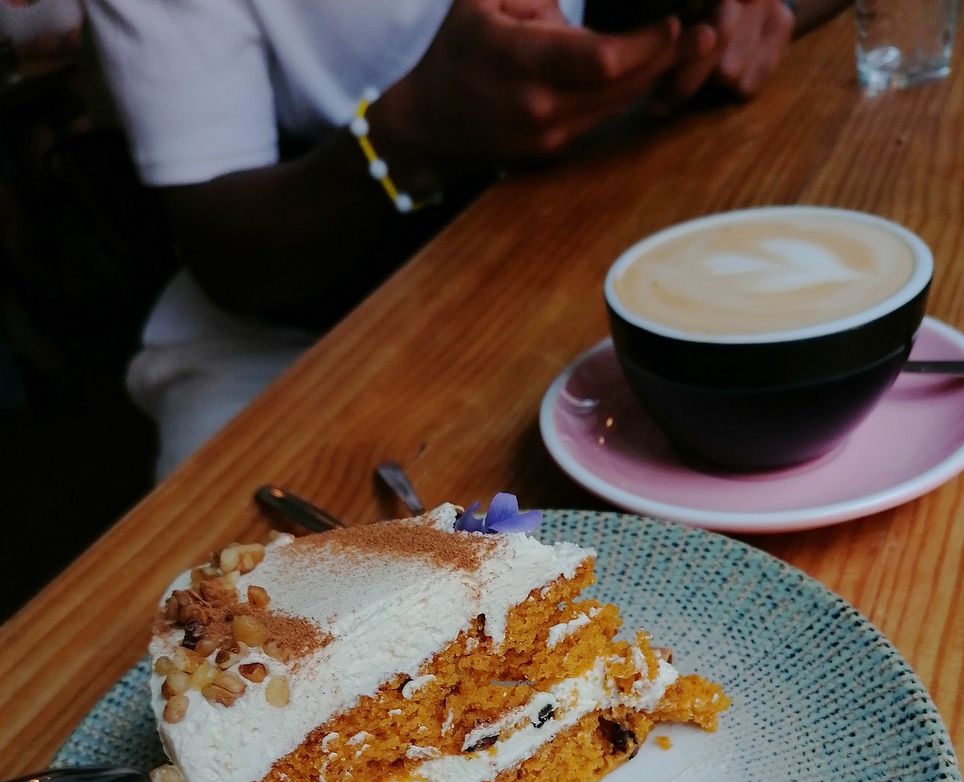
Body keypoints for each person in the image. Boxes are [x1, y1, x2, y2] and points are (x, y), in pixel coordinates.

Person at [82, 0, 835, 479]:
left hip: (574, 239)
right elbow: (229, 255)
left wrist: (767, 11)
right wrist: (411, 134)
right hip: (295, 341)